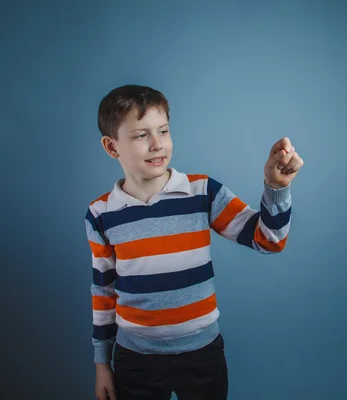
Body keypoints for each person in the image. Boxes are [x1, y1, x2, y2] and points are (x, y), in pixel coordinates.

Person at [85, 85, 304, 399]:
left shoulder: (202, 192)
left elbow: (268, 240)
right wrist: (101, 364)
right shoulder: (101, 214)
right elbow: (102, 293)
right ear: (112, 146)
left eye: (163, 130)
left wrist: (275, 187)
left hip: (203, 354)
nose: (157, 144)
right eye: (141, 135)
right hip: (136, 360)